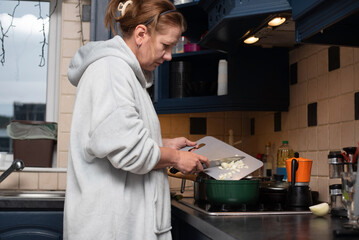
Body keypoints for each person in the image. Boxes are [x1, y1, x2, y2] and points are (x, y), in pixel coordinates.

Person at [63, 0, 209, 239]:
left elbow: (119, 139)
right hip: (111, 229)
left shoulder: (125, 73)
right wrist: (177, 158)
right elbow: (130, 151)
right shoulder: (111, 70)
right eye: (166, 45)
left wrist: (162, 144)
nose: (170, 56)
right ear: (142, 33)